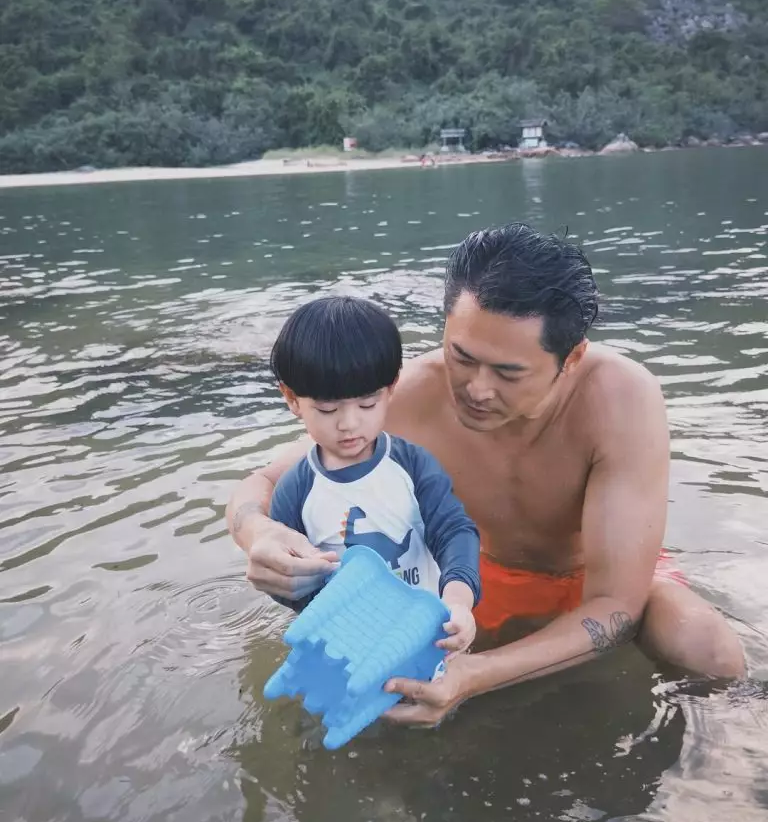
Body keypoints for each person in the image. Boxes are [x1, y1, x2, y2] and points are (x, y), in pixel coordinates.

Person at [227, 223, 746, 727]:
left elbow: (615, 604)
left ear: (571, 358)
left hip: (590, 582)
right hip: (473, 576)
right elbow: (262, 484)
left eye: (508, 372)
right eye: (462, 356)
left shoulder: (620, 399)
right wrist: (260, 533)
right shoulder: (413, 393)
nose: (476, 389)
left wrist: (473, 677)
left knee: (708, 650)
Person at [265, 294, 481, 654]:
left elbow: (454, 531)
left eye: (367, 403)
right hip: (347, 645)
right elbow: (286, 579)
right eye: (327, 409)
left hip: (429, 634)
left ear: (391, 388)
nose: (349, 423)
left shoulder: (412, 466)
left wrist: (458, 601)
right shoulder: (295, 491)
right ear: (291, 399)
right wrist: (294, 590)